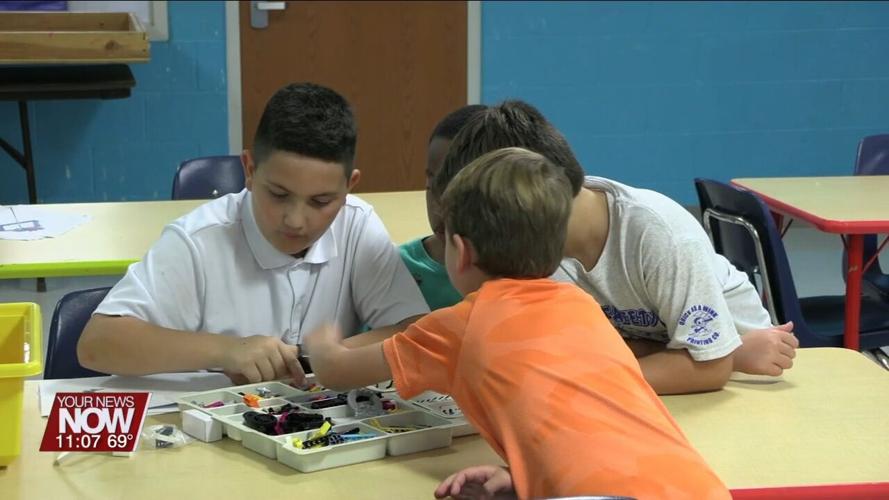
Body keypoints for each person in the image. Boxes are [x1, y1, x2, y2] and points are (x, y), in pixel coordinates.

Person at [305, 147, 730, 499]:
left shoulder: (460, 325)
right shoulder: (583, 306)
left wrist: (319, 336)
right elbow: (590, 425)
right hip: (697, 487)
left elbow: (336, 372)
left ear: (460, 252)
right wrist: (524, 473)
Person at [430, 100, 798, 395]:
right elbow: (571, 351)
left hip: (747, 384)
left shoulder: (657, 232)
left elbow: (708, 369)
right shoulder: (533, 242)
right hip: (673, 374)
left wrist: (582, 377)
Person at [77, 82, 429, 384]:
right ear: (249, 169)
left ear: (350, 186)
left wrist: (326, 357)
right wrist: (227, 350)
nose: (296, 221)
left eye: (321, 201)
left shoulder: (357, 223)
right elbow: (97, 344)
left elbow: (417, 331)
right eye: (278, 195)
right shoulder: (199, 240)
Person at [399, 104, 487, 310]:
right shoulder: (396, 268)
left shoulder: (524, 273)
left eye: (456, 191)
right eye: (431, 187)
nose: (439, 208)